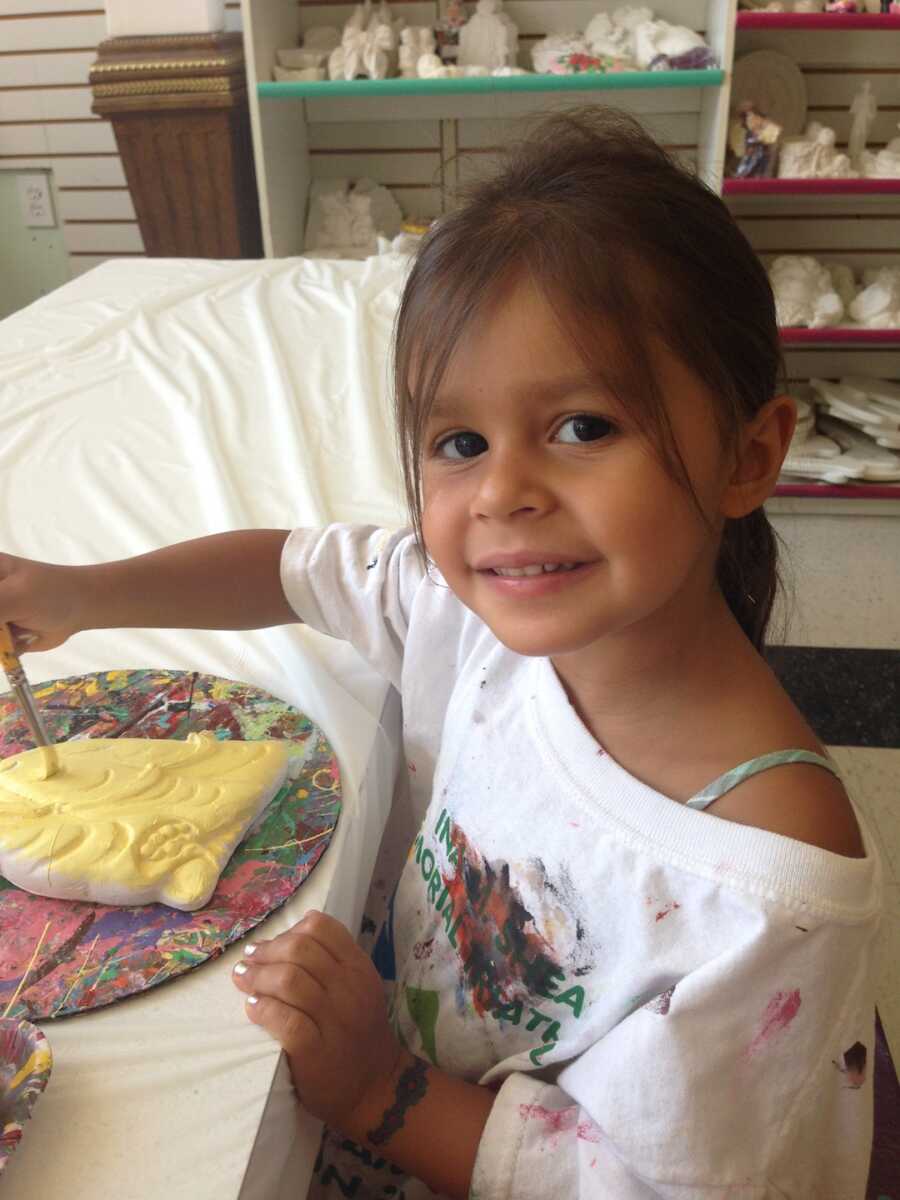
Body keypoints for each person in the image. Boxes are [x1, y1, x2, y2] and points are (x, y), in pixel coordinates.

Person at [0, 108, 881, 1198]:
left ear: (749, 458)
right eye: (459, 444)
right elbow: (291, 566)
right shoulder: (471, 615)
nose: (503, 492)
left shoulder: (763, 881)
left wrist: (379, 1091)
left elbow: (639, 1186)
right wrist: (80, 593)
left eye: (583, 426)